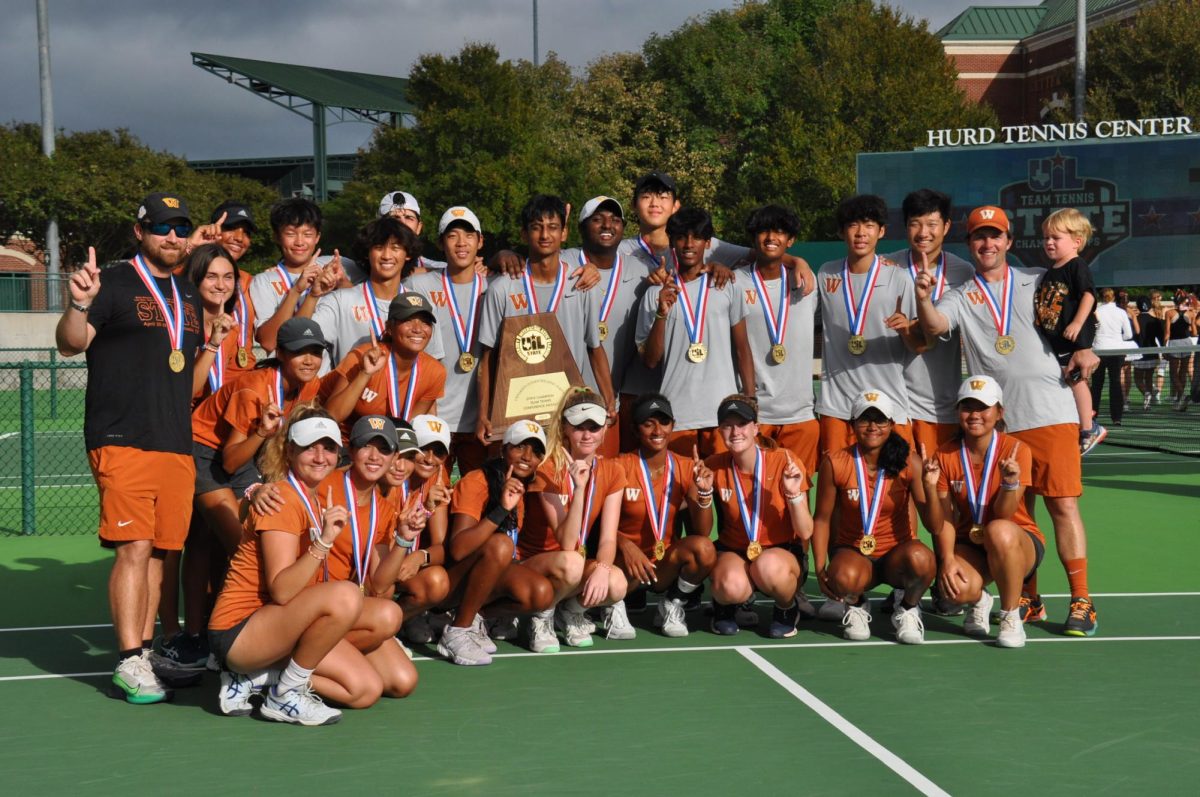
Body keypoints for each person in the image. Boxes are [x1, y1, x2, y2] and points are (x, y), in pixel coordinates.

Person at [914, 205, 1100, 637]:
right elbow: (937, 324)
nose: (987, 243)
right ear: (971, 244)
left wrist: (1089, 346)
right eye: (980, 236)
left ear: (1008, 242)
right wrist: (923, 297)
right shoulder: (961, 294)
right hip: (1002, 424)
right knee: (1015, 515)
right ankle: (1029, 600)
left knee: (1063, 505)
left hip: (1051, 411)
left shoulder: (1039, 278)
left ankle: (1082, 599)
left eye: (995, 235)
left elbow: (1084, 294)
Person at [56, 192, 203, 704]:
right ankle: (126, 659)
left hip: (174, 443)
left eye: (180, 228)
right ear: (140, 231)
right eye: (162, 227)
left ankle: (142, 652)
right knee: (134, 548)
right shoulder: (114, 282)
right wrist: (78, 302)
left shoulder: (188, 295)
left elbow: (181, 373)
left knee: (163, 554)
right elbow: (71, 343)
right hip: (121, 438)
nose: (173, 237)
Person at [208, 411, 366, 725]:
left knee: (364, 689)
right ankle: (285, 693)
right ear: (289, 450)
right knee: (346, 597)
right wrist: (324, 542)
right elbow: (281, 590)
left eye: (329, 447)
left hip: (280, 623)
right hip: (240, 630)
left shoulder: (314, 496)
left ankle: (262, 678)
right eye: (310, 447)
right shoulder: (281, 498)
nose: (321, 456)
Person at [475, 195, 616, 443]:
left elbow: (594, 347)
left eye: (552, 227)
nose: (544, 235)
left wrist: (609, 400)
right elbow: (486, 358)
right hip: (516, 414)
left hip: (568, 411)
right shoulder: (502, 288)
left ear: (564, 233)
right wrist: (483, 414)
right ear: (523, 234)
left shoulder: (582, 285)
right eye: (536, 227)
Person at [923, 376, 1045, 648]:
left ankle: (1010, 615)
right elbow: (942, 521)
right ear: (957, 412)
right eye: (967, 407)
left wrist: (1010, 482)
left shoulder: (1016, 450)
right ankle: (979, 599)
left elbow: (1005, 514)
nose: (974, 415)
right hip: (973, 543)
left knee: (998, 530)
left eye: (983, 408)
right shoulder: (945, 455)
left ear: (999, 412)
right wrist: (947, 560)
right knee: (954, 589)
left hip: (1017, 540)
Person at [810, 390, 935, 644]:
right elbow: (821, 519)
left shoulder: (909, 462)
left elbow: (934, 524)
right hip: (854, 553)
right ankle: (856, 605)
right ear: (852, 424)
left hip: (895, 556)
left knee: (922, 560)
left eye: (880, 420)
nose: (873, 427)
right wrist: (821, 566)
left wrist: (931, 487)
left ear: (891, 424)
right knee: (841, 574)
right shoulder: (836, 462)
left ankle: (908, 608)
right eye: (865, 419)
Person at [637, 207, 756, 457]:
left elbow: (742, 347)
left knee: (730, 494)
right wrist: (661, 313)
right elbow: (650, 360)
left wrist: (750, 398)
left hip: (725, 415)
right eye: (681, 237)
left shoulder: (726, 285)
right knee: (681, 494)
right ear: (672, 242)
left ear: (708, 242)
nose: (689, 244)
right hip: (677, 414)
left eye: (697, 237)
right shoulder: (654, 295)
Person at [440, 421, 557, 665]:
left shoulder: (520, 487)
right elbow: (458, 549)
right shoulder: (477, 481)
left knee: (541, 593)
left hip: (482, 577)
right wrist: (501, 510)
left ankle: (475, 617)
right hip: (451, 579)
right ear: (503, 450)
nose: (527, 457)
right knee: (501, 544)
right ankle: (457, 631)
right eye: (520, 447)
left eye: (536, 452)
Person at [816, 195, 922, 457]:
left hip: (889, 406)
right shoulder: (825, 274)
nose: (861, 233)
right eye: (853, 225)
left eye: (869, 225)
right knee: (838, 488)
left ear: (882, 231)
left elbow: (918, 346)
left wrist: (906, 329)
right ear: (842, 231)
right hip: (838, 407)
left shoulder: (900, 279)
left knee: (897, 490)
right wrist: (794, 262)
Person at [523, 388, 627, 647]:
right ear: (565, 429)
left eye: (594, 427)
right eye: (579, 427)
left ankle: (570, 611)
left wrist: (602, 568)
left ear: (604, 431)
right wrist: (580, 489)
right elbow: (567, 542)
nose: (587, 434)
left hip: (572, 564)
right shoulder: (547, 468)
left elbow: (607, 539)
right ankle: (543, 615)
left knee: (616, 583)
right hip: (533, 563)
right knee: (572, 562)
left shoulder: (613, 471)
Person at [705, 395, 812, 638]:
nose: (735, 432)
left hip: (781, 553)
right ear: (720, 430)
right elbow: (703, 530)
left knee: (768, 567)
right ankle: (726, 605)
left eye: (742, 424)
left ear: (756, 428)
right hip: (735, 551)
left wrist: (793, 494)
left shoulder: (784, 461)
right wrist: (702, 493)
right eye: (727, 425)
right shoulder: (713, 465)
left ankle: (786, 608)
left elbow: (805, 531)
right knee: (730, 585)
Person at [614, 394, 717, 637]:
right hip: (622, 562)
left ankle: (673, 603)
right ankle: (613, 604)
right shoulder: (618, 465)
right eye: (648, 423)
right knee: (610, 572)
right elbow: (596, 525)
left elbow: (702, 532)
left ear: (673, 425)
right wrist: (625, 545)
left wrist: (704, 492)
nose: (657, 430)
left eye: (664, 422)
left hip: (663, 562)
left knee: (704, 548)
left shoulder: (685, 467)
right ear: (635, 429)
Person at [884, 189, 976, 457]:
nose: (923, 232)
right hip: (892, 402)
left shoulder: (963, 272)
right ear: (905, 226)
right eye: (915, 223)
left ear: (946, 226)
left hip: (939, 405)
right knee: (894, 491)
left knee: (936, 489)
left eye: (932, 224)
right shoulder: (886, 267)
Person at [404, 207, 492, 473]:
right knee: (433, 501)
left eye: (468, 235)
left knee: (473, 497)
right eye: (452, 236)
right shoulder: (419, 286)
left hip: (480, 420)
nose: (461, 243)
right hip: (434, 414)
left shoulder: (494, 287)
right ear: (441, 243)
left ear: (480, 241)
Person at [736, 204, 820, 477]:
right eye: (764, 231)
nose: (771, 237)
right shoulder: (735, 282)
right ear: (753, 237)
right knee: (754, 495)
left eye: (780, 232)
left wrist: (798, 262)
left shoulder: (807, 281)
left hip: (800, 414)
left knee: (797, 495)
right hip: (755, 413)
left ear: (791, 240)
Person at [311, 216, 445, 375]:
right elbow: (302, 338)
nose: (387, 255)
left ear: (407, 254)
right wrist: (312, 295)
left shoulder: (422, 306)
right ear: (367, 252)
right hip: (351, 397)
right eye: (379, 247)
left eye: (395, 248)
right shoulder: (340, 301)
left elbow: (431, 364)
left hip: (404, 399)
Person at [322, 293, 447, 434]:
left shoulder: (435, 372)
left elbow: (407, 429)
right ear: (389, 327)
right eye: (408, 320)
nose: (418, 329)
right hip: (340, 441)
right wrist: (365, 373)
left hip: (387, 445)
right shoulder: (362, 357)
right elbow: (330, 417)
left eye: (425, 322)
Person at [1033, 208, 1103, 454]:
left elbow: (1088, 296)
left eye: (1056, 238)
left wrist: (1076, 323)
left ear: (1076, 241)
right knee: (1067, 379)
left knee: (1076, 381)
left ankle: (1089, 427)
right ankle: (1079, 422)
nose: (1049, 243)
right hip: (1057, 341)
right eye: (1046, 238)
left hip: (1075, 340)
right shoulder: (1051, 270)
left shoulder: (1076, 265)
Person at [248, 198, 346, 354]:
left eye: (307, 234)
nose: (299, 242)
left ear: (317, 237)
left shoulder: (336, 265)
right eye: (290, 234)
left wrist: (343, 281)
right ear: (277, 236)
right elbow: (268, 342)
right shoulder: (263, 281)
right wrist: (296, 291)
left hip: (330, 375)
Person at [394, 414, 455, 643]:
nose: (430, 458)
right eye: (423, 449)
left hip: (404, 561)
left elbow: (441, 547)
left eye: (438, 452)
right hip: (378, 561)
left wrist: (420, 557)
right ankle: (375, 626)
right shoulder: (392, 473)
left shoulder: (437, 479)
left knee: (437, 581)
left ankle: (400, 621)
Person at [1091, 288, 1135, 427]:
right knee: (1115, 383)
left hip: (1099, 351)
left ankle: (1092, 416)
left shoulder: (1096, 312)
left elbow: (1092, 331)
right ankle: (1117, 417)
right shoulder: (1121, 312)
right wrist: (1116, 339)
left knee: (1096, 385)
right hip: (1116, 351)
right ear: (1114, 297)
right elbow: (1128, 335)